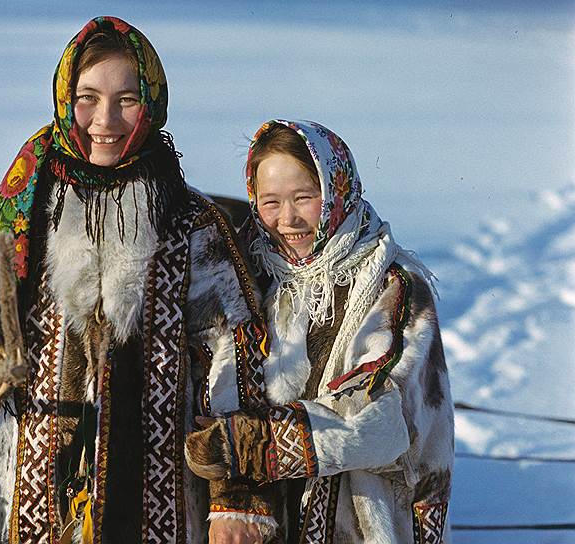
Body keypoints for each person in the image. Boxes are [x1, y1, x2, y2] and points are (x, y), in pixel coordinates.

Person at [0, 16, 275, 544]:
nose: (104, 120)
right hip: (21, 501)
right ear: (66, 99)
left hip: (160, 502)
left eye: (126, 100)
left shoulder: (193, 224)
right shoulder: (16, 212)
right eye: (88, 97)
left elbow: (237, 360)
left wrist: (236, 498)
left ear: (151, 103)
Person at [185, 119, 454, 543]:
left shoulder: (392, 287)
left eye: (304, 197)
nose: (287, 218)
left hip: (365, 520)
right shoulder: (253, 276)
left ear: (336, 191)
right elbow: (222, 387)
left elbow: (381, 421)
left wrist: (256, 445)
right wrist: (237, 495)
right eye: (271, 201)